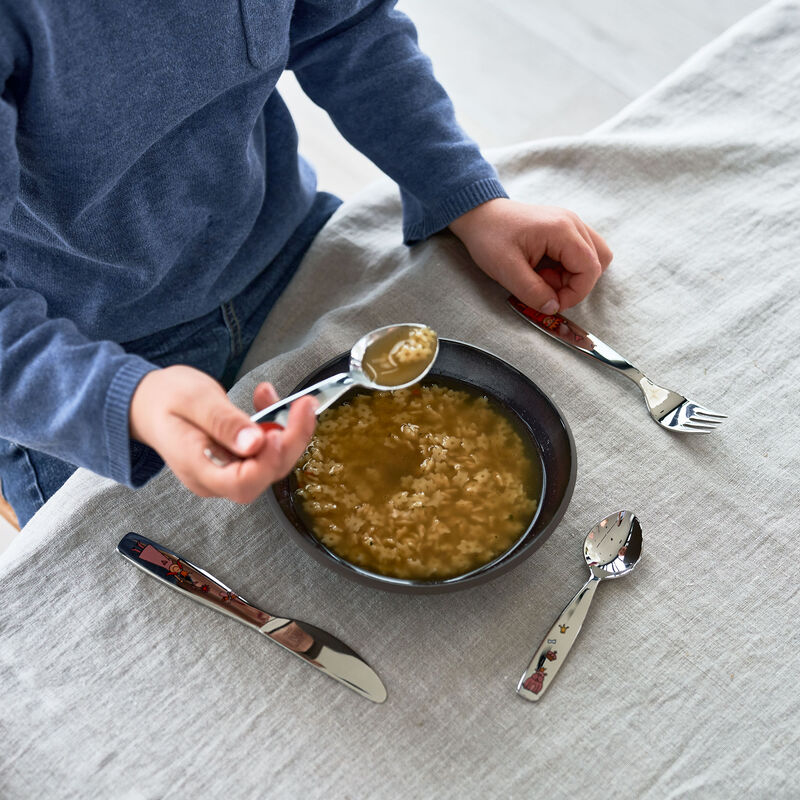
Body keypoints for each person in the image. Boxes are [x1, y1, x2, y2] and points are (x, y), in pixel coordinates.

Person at [0, 1, 612, 527]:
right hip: (74, 360)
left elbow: (346, 29)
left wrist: (467, 195)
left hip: (284, 240)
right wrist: (127, 400)